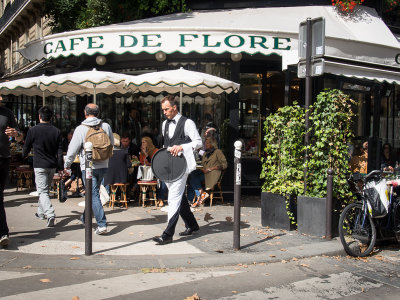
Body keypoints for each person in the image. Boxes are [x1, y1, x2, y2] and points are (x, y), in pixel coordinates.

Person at [152, 95, 202, 245]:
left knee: (173, 197)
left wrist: (182, 147)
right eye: (163, 110)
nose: (164, 112)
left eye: (167, 109)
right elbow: (166, 145)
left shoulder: (188, 123)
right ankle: (192, 225)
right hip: (169, 166)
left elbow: (198, 142)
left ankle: (167, 234)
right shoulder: (164, 124)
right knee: (179, 196)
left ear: (175, 107)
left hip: (182, 166)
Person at [64, 104, 114, 235]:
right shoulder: (106, 126)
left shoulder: (81, 129)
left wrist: (67, 165)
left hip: (88, 166)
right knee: (94, 193)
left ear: (85, 113)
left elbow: (72, 149)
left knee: (93, 194)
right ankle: (85, 217)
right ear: (98, 113)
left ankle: (102, 224)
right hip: (104, 165)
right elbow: (112, 144)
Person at [23, 106, 63, 227]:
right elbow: (60, 152)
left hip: (39, 164)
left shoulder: (33, 130)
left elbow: (26, 146)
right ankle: (40, 213)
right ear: (51, 118)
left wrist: (24, 155)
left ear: (39, 116)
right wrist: (60, 167)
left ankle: (50, 214)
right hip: (52, 165)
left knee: (42, 191)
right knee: (44, 190)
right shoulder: (56, 131)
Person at [0, 94, 23, 247]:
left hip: (2, 158)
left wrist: (16, 134)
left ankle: (3, 233)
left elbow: (20, 137)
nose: (1, 97)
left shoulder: (6, 113)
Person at [188, 136, 228, 207]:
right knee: (191, 175)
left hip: (213, 174)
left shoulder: (218, 152)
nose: (205, 145)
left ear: (212, 144)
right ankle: (201, 193)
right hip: (205, 173)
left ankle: (197, 197)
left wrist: (211, 168)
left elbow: (225, 165)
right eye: (205, 143)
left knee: (193, 178)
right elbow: (203, 161)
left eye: (207, 143)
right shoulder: (206, 153)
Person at [103, 133, 131, 201]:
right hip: (122, 179)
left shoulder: (107, 153)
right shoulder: (124, 152)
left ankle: (112, 197)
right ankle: (125, 196)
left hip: (109, 179)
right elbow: (129, 165)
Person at [138, 136, 165, 207]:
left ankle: (160, 199)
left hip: (156, 170)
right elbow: (142, 163)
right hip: (147, 172)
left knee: (162, 180)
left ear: (148, 143)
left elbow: (155, 162)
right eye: (142, 142)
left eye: (144, 142)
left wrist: (146, 155)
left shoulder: (156, 151)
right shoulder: (141, 153)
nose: (142, 144)